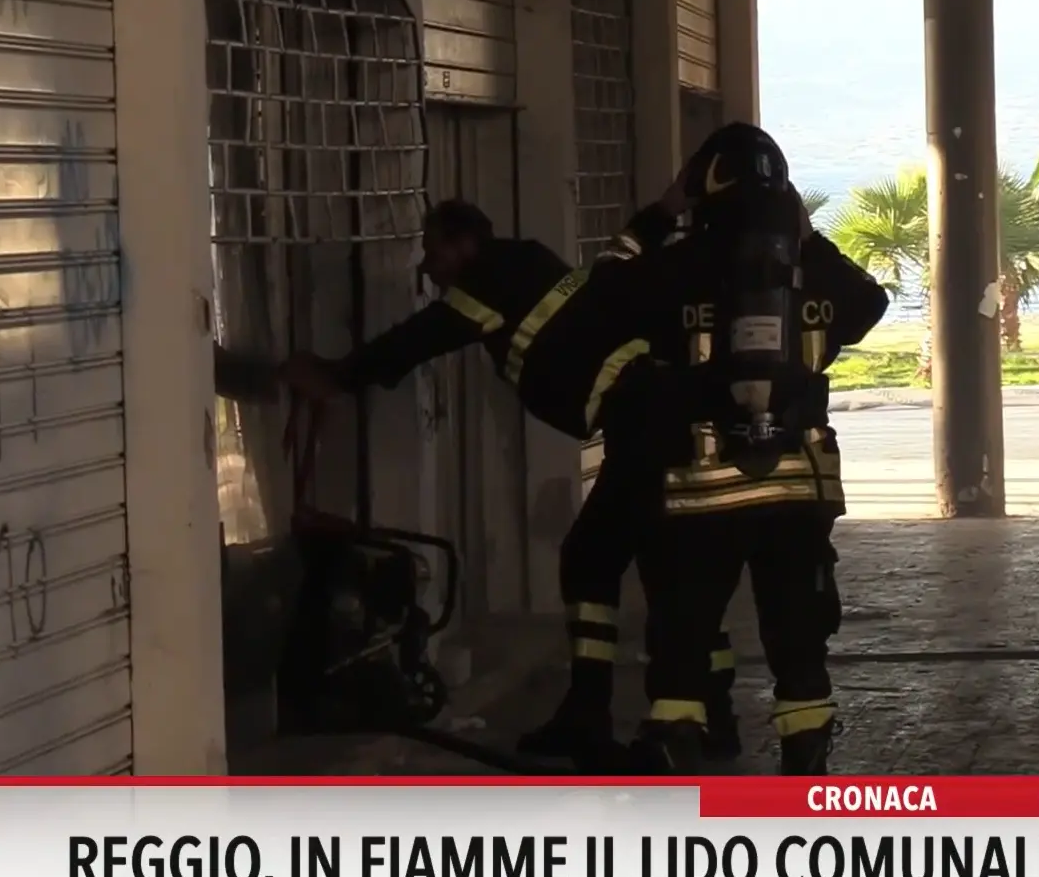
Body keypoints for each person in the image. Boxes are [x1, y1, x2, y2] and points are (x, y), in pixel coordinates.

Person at [277, 198, 722, 771]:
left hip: (644, 421)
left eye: (432, 251)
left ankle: (669, 727)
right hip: (645, 417)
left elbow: (423, 336)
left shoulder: (489, 279)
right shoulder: (528, 261)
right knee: (592, 560)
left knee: (647, 567)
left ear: (464, 245)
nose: (426, 268)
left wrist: (337, 375)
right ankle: (596, 713)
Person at [608, 123, 890, 775]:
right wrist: (809, 239)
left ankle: (678, 752)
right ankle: (805, 763)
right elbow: (869, 301)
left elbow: (605, 289)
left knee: (684, 627)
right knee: (798, 635)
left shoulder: (675, 268)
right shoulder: (809, 271)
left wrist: (656, 217)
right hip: (798, 488)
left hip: (702, 488)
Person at [514, 205, 743, 767]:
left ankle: (671, 724)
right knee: (667, 583)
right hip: (696, 450)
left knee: (655, 582)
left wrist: (659, 215)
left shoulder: (663, 273)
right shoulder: (750, 275)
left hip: (650, 445)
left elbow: (611, 271)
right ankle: (707, 718)